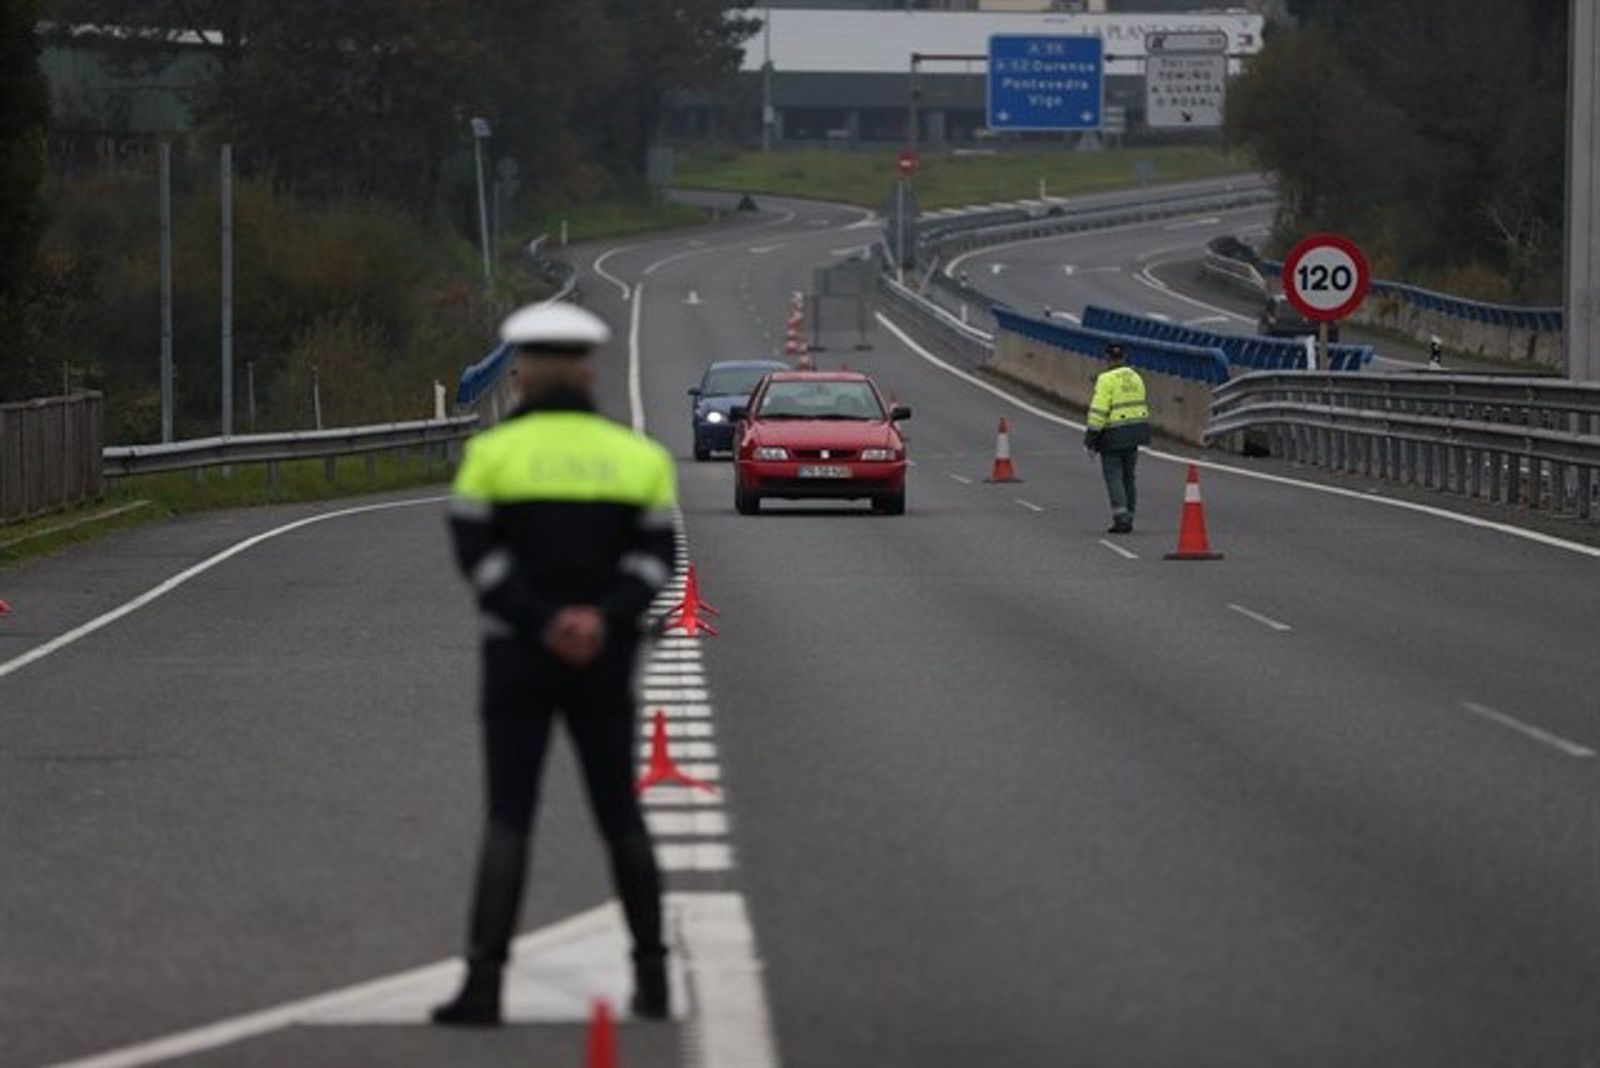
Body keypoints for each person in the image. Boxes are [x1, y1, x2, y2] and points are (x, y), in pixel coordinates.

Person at [433, 300, 677, 1027]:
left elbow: (479, 559)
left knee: (509, 816)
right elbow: (654, 559)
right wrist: (598, 619)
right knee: (619, 816)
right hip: (605, 658)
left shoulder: (491, 456)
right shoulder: (637, 456)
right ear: (589, 368)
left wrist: (544, 621)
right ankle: (654, 980)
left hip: (517, 658)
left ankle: (483, 985)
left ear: (525, 374)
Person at [1083, 342, 1152, 535]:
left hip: (1113, 434)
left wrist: (1091, 437)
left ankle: (1120, 518)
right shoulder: (1136, 377)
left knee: (1114, 475)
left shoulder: (1106, 379)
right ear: (1124, 357)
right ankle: (1129, 516)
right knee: (1129, 476)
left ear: (1107, 358)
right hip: (1136, 431)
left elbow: (1099, 410)